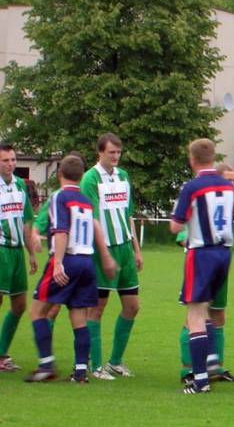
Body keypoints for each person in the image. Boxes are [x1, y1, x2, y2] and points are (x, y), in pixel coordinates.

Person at [24, 154, 117, 383]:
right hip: (87, 262)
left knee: (37, 311)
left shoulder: (59, 196)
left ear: (59, 174)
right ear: (82, 175)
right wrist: (106, 257)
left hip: (68, 259)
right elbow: (95, 226)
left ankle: (46, 365)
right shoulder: (85, 200)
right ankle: (80, 372)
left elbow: (62, 231)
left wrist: (58, 263)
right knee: (79, 316)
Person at [169, 139, 234, 394]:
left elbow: (176, 226)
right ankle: (212, 358)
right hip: (224, 253)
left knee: (195, 314)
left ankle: (200, 381)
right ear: (213, 157)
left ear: (192, 159)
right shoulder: (228, 186)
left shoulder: (192, 187)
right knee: (207, 308)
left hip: (201, 253)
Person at [80, 133, 144, 380]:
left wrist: (136, 249)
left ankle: (115, 362)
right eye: (111, 153)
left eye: (118, 152)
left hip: (125, 249)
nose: (116, 157)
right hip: (102, 250)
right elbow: (93, 219)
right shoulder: (90, 179)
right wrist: (105, 254)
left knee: (132, 306)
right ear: (100, 152)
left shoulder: (123, 176)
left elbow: (128, 214)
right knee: (97, 308)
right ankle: (95, 365)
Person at [176, 163, 234, 382]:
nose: (232, 184)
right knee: (194, 316)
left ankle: (216, 366)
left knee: (217, 315)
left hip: (219, 263)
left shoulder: (225, 200)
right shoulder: (200, 199)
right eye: (229, 179)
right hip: (200, 264)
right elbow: (181, 234)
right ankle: (189, 369)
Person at [0, 143, 37, 371]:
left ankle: (2, 353)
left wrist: (31, 252)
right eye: (5, 160)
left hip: (16, 252)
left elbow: (25, 222)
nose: (10, 164)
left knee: (20, 304)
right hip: (1, 249)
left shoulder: (20, 185)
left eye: (13, 159)